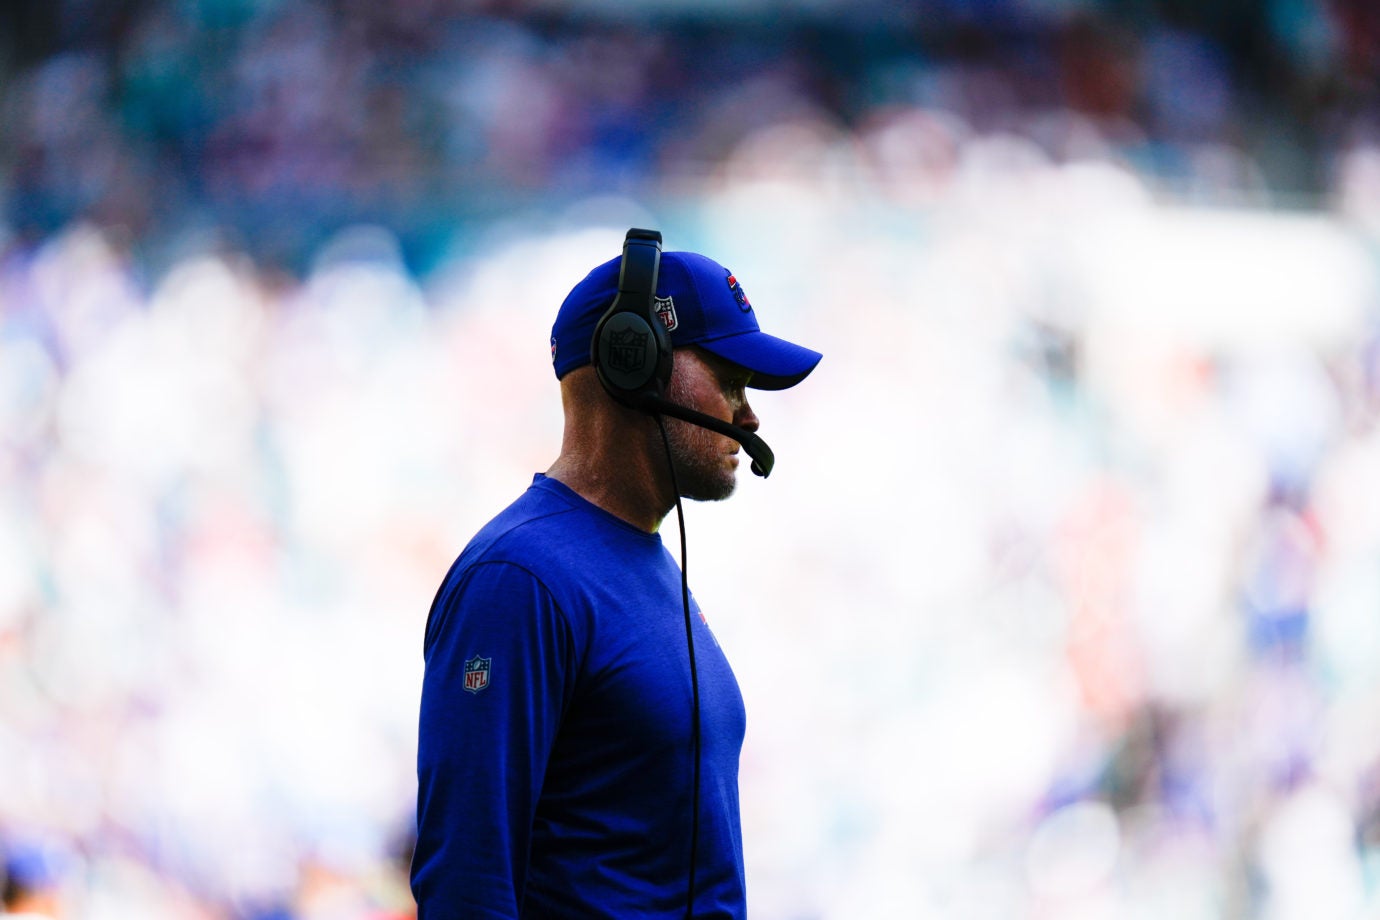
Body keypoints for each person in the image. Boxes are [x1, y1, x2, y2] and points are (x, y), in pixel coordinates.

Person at [410, 236, 821, 919]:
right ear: (635, 363)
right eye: (728, 379)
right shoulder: (519, 581)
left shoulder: (645, 563)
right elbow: (467, 882)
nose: (748, 415)